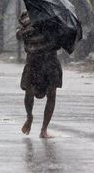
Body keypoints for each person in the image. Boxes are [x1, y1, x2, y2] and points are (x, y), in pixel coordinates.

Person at [16, 11, 62, 139]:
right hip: (33, 61)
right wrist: (32, 28)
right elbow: (19, 35)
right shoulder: (26, 16)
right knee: (29, 92)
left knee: (51, 94)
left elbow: (60, 39)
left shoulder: (54, 18)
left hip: (51, 61)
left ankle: (44, 129)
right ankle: (29, 116)